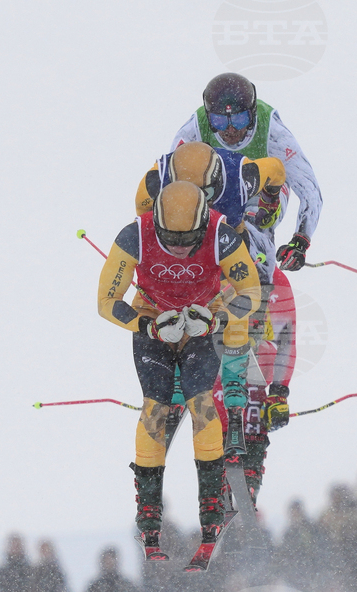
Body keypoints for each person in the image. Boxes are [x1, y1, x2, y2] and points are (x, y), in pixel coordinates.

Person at [97, 181, 261, 560]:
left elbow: (250, 293)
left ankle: (211, 506)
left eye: (189, 240)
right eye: (170, 239)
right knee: (155, 408)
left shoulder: (221, 234)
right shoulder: (134, 234)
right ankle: (149, 512)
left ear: (204, 223)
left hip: (200, 322)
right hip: (155, 319)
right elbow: (106, 301)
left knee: (201, 402)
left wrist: (217, 318)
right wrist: (148, 326)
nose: (180, 249)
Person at [171, 72, 324, 428]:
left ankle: (257, 289)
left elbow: (310, 189)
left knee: (253, 220)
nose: (231, 130)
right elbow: (164, 179)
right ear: (208, 116)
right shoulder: (194, 129)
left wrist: (302, 238)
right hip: (215, 191)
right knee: (199, 216)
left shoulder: (272, 131)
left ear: (252, 114)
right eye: (220, 121)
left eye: (239, 119)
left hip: (265, 193)